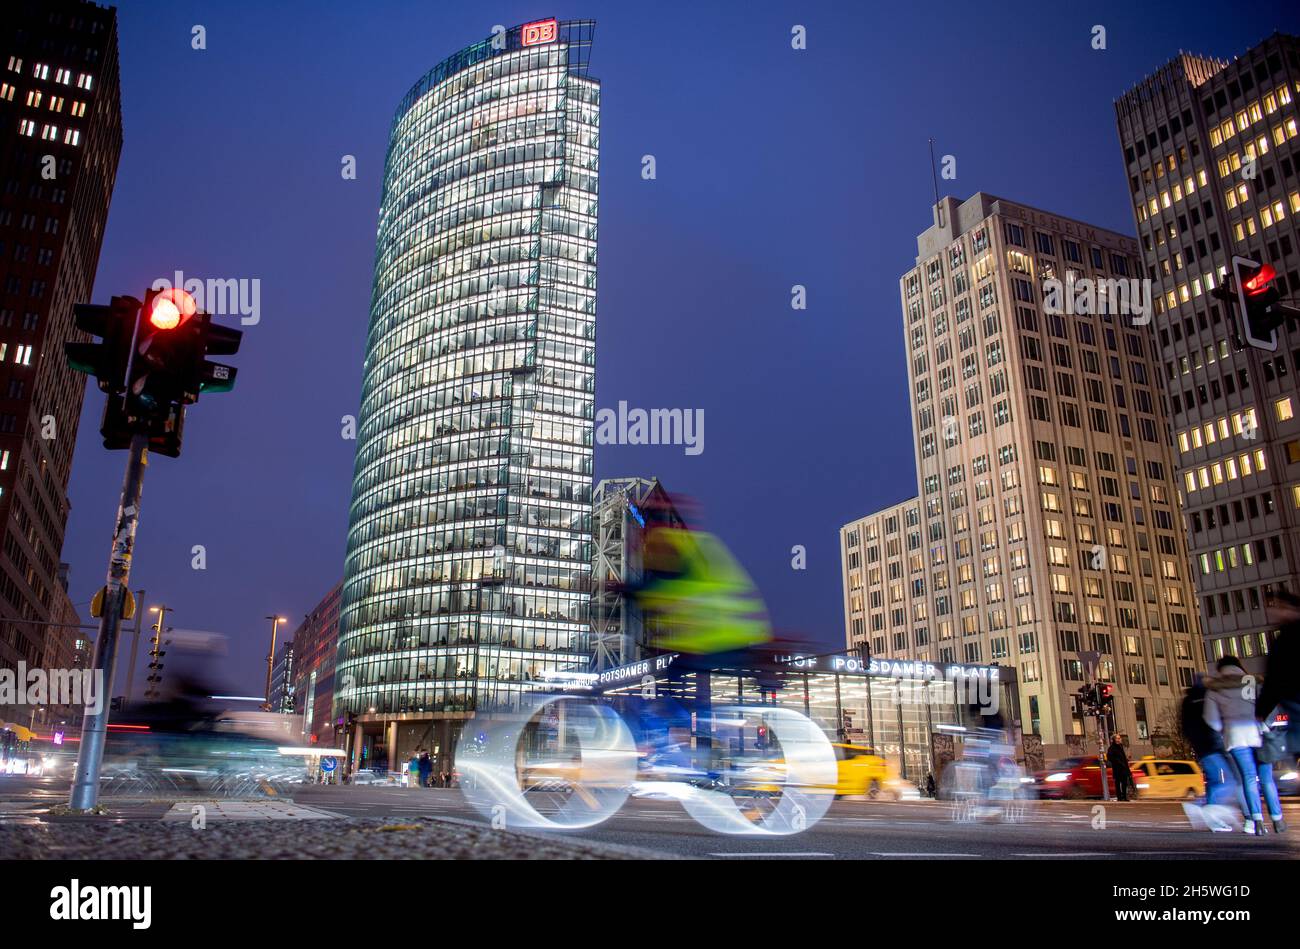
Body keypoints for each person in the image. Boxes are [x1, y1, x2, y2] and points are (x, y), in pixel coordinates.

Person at [1204, 656, 1279, 835]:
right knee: (1267, 778)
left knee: (1247, 778)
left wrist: (1224, 729)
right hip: (1259, 734)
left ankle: (1254, 820)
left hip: (1235, 737)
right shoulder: (1253, 681)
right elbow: (1271, 705)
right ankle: (1277, 818)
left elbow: (1211, 718)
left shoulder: (1215, 688)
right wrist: (1266, 725)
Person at [1180, 674, 1247, 831]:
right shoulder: (1209, 696)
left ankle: (1208, 810)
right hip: (1213, 744)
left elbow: (1185, 727)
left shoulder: (1188, 701)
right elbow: (1215, 720)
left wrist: (1194, 743)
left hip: (1201, 746)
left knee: (1214, 779)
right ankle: (1205, 807)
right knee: (1228, 779)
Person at [1106, 734, 1132, 801]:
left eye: (1119, 738)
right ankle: (1119, 797)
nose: (1119, 739)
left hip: (1123, 768)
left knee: (1124, 783)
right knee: (1118, 783)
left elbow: (1123, 758)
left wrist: (1127, 768)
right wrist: (1118, 762)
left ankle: (1124, 796)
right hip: (1117, 769)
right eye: (1117, 738)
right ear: (1114, 740)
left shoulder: (1120, 747)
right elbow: (1110, 758)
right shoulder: (1111, 748)